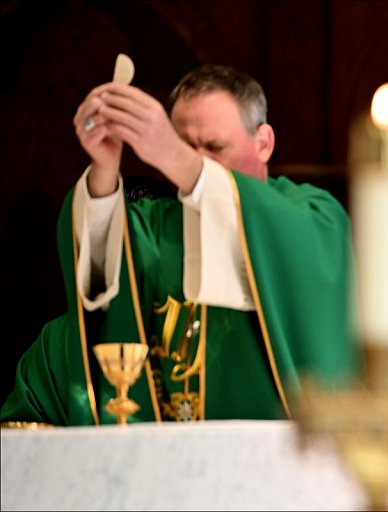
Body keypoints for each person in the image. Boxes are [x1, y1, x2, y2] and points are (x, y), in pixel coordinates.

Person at [0, 65, 361, 425]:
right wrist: (105, 167)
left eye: (215, 146)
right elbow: (96, 287)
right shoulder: (153, 225)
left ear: (263, 142)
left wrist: (173, 153)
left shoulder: (314, 215)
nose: (195, 160)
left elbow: (293, 249)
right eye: (183, 145)